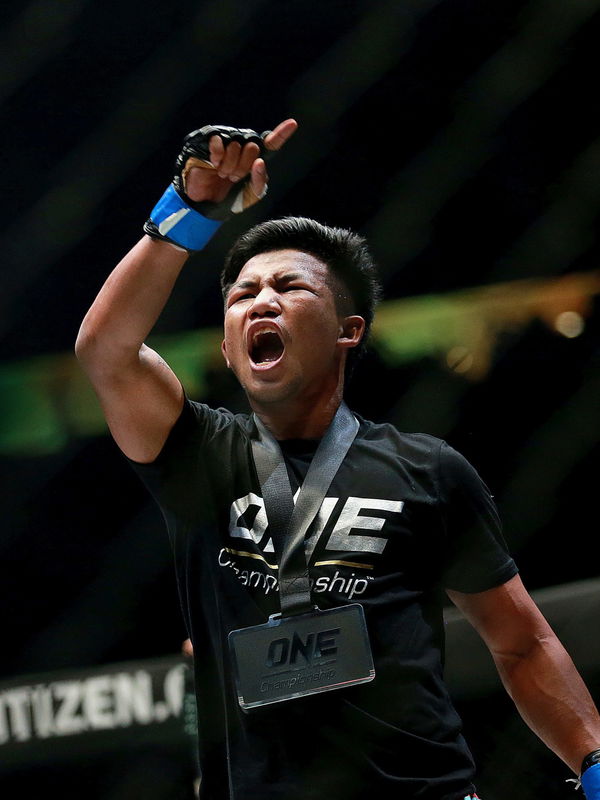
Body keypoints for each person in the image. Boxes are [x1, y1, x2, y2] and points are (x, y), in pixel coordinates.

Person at [76, 119, 600, 800]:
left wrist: (593, 761)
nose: (261, 299)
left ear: (348, 330)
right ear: (230, 349)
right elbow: (106, 350)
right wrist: (190, 211)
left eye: (291, 287)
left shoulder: (427, 470)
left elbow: (521, 642)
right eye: (242, 294)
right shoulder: (199, 454)